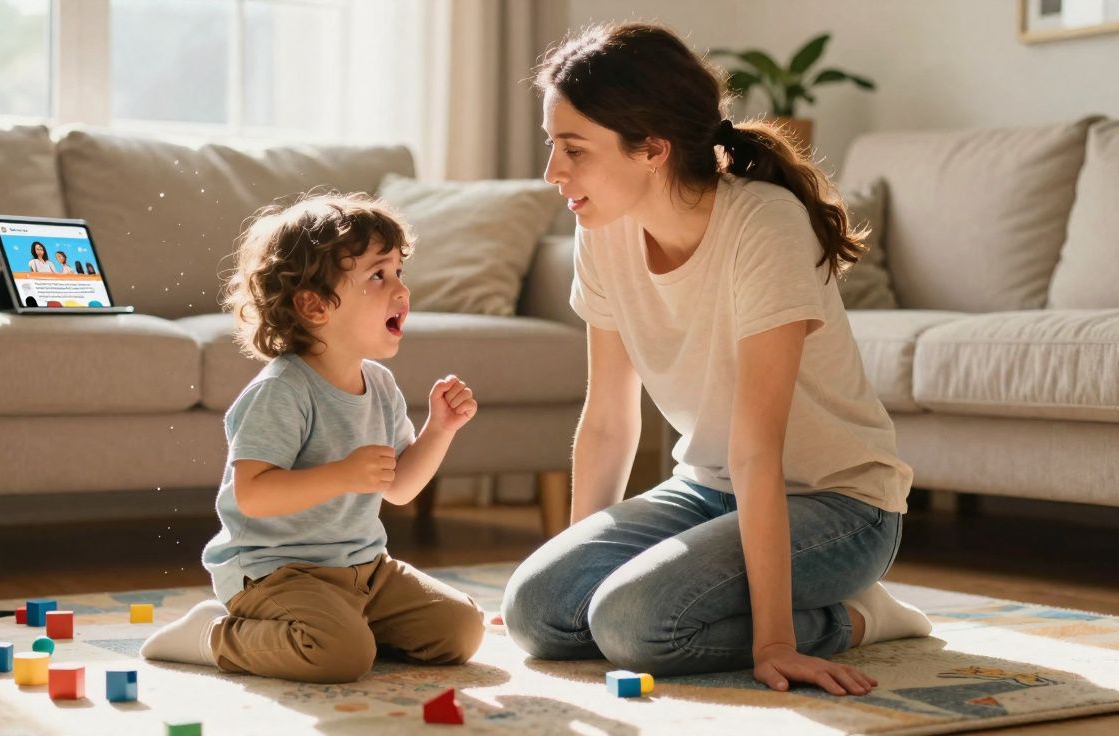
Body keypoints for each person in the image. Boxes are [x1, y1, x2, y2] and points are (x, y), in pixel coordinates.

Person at [500, 22, 931, 696]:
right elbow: (610, 422)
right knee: (534, 612)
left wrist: (775, 644)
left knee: (633, 627)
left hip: (839, 504)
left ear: (652, 149)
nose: (554, 173)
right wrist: (574, 565)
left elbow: (759, 447)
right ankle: (717, 601)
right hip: (708, 491)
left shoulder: (764, 228)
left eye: (573, 150)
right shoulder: (603, 231)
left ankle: (856, 617)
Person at [140, 193, 485, 683]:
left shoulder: (381, 385)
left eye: (399, 273)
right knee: (339, 658)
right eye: (378, 275)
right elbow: (253, 496)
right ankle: (212, 635)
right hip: (274, 572)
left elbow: (400, 487)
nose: (401, 290)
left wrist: (440, 430)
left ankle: (343, 627)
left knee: (461, 630)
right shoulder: (282, 390)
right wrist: (342, 475)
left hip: (366, 569)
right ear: (315, 305)